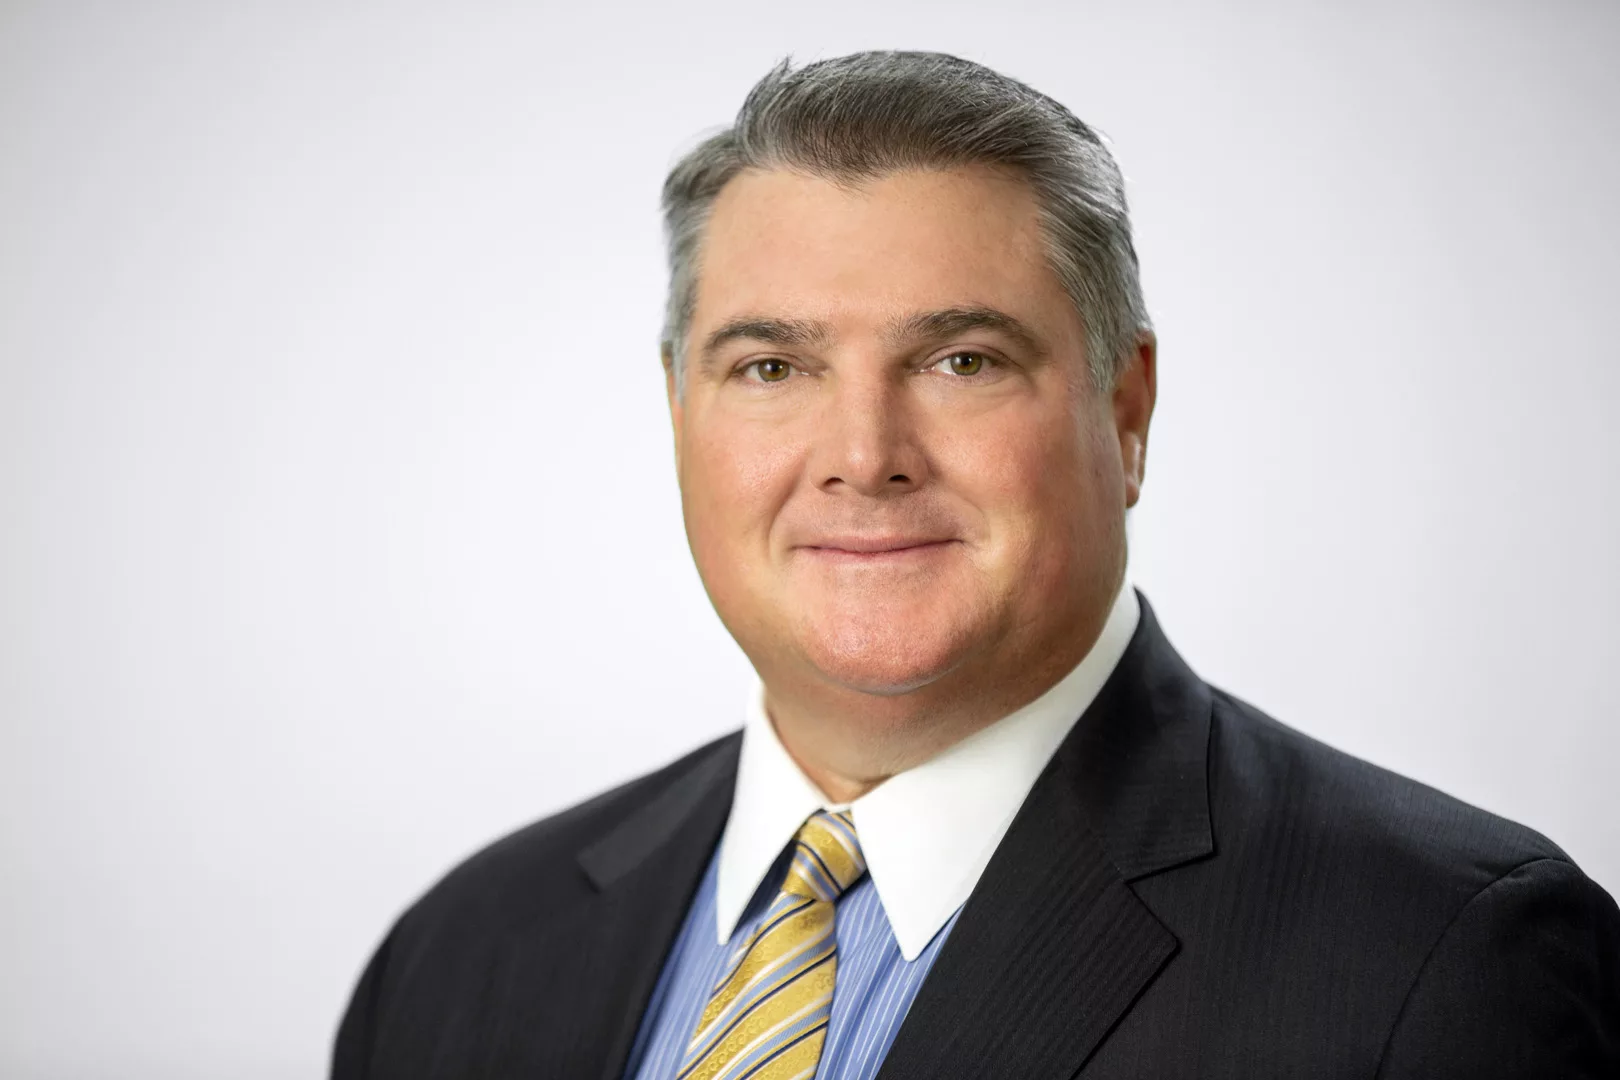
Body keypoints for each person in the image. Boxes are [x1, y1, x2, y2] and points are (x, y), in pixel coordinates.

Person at [331, 51, 1620, 1078]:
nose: (863, 456)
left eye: (963, 361)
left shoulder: (1448, 961)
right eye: (771, 367)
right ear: (679, 414)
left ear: (1127, 410)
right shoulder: (463, 956)